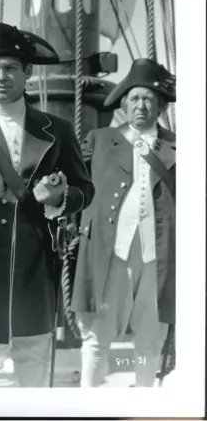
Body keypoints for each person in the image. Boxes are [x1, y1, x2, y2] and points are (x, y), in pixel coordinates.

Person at [0, 22, 95, 387]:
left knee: (34, 360)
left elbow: (85, 190)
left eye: (10, 67)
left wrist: (59, 198)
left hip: (35, 268)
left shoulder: (58, 129)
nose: (1, 76)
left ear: (27, 72)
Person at [71, 58, 176, 387]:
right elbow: (75, 187)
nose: (140, 105)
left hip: (158, 257)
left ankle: (144, 400)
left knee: (149, 339)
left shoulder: (181, 145)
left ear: (159, 106)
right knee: (97, 338)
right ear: (123, 104)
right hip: (108, 254)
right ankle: (89, 406)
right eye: (134, 98)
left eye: (148, 99)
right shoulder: (99, 140)